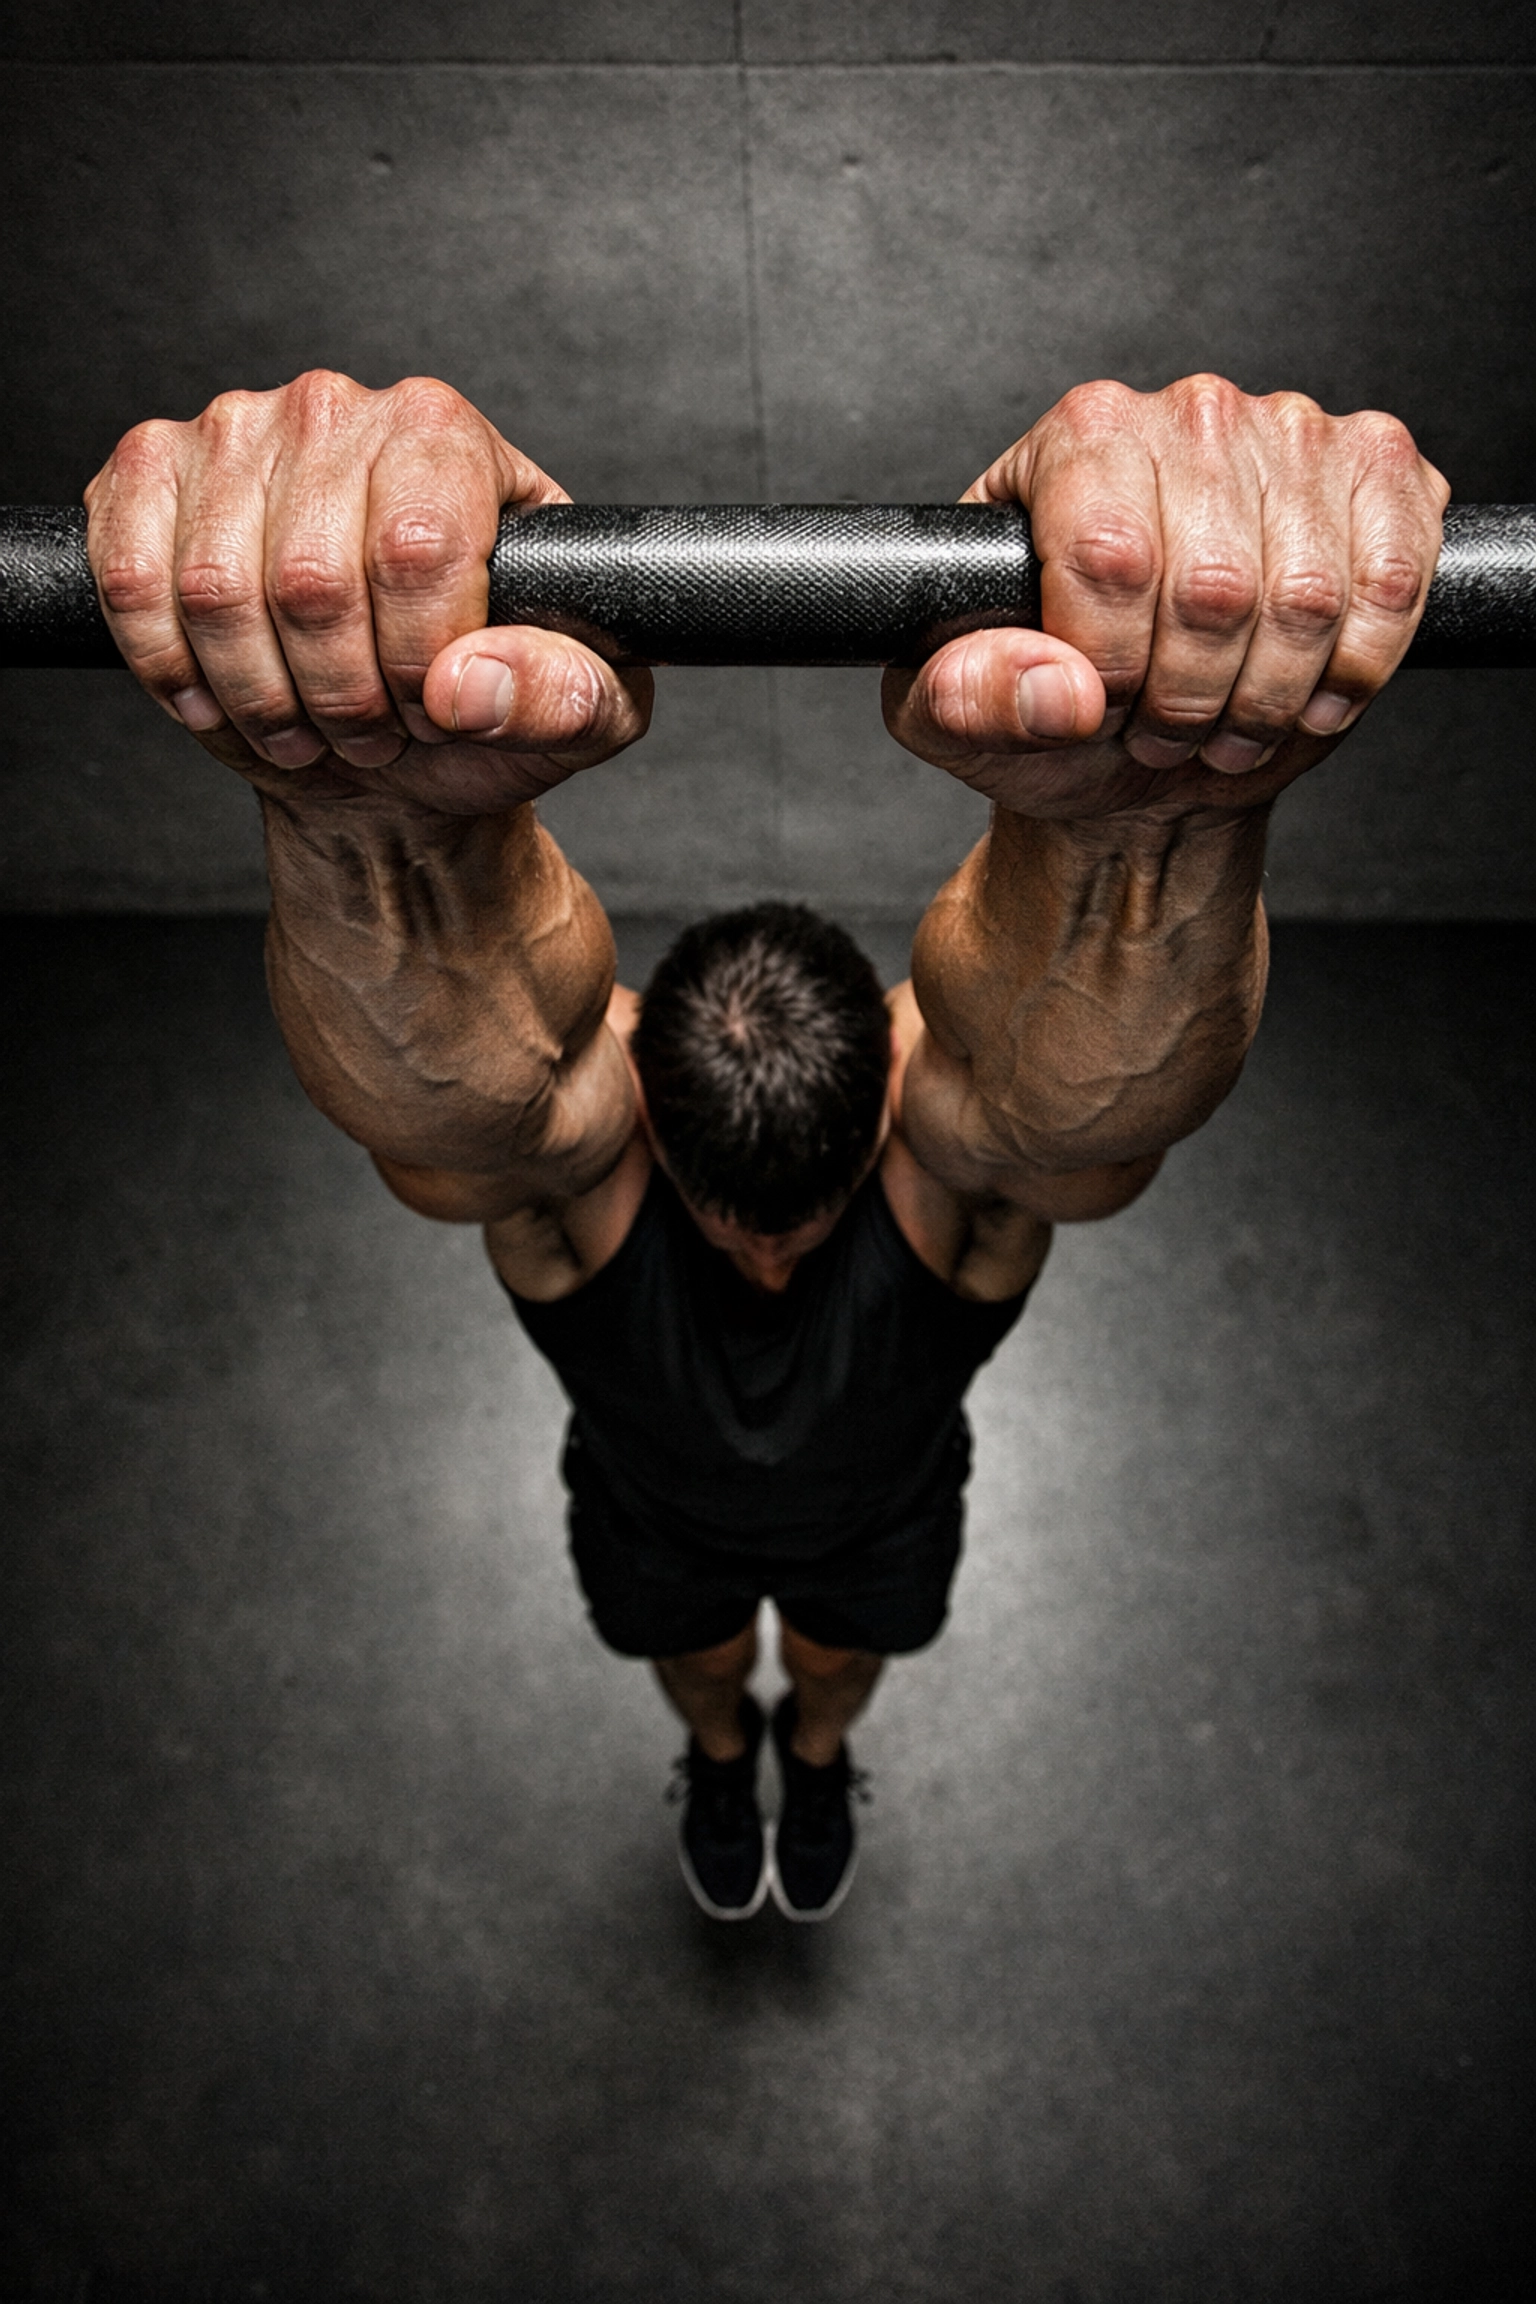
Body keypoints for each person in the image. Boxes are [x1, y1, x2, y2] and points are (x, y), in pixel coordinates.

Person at [84, 370, 1447, 1921]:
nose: (771, 1256)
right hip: (656, 1522)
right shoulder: (585, 1174)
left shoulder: (949, 1171)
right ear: (651, 1106)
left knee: (844, 1667)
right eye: (739, 1226)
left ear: (882, 1099)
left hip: (883, 1518)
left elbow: (1078, 1111)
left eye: (790, 1228)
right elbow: (460, 1108)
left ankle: (813, 1759)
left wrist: (1156, 827)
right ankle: (726, 1759)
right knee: (703, 1666)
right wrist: (364, 828)